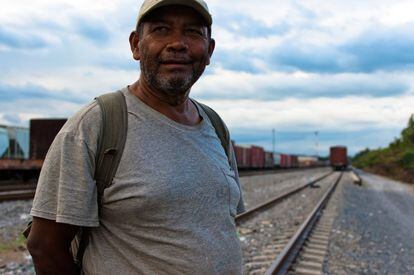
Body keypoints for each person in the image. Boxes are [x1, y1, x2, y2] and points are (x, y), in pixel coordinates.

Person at [26, 0, 245, 274]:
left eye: (193, 32)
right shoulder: (96, 124)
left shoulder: (215, 125)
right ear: (135, 45)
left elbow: (217, 225)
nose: (178, 43)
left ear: (210, 50)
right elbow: (44, 245)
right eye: (162, 29)